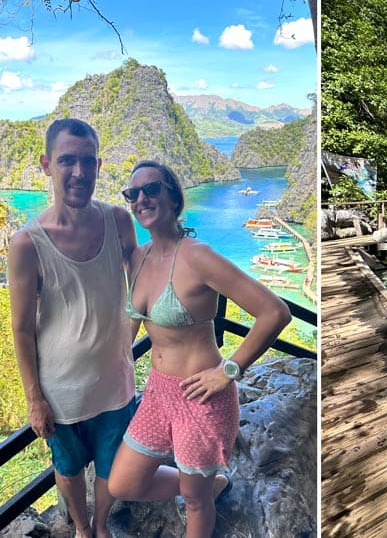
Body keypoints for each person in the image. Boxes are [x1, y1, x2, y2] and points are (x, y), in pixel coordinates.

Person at [107, 161, 291, 537]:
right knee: (122, 484)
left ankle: (203, 490)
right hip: (158, 392)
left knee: (195, 503)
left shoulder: (198, 256)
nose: (141, 199)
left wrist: (229, 370)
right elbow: (131, 324)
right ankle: (210, 483)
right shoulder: (138, 259)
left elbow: (275, 312)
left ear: (174, 197)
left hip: (201, 396)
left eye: (151, 189)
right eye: (132, 193)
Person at [10, 118, 139, 538]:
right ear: (47, 165)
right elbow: (21, 328)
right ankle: (82, 528)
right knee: (67, 467)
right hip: (60, 392)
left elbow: (144, 284)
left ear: (99, 166)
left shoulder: (119, 222)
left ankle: (100, 525)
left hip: (115, 385)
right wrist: (35, 399)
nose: (79, 172)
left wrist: (130, 341)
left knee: (111, 467)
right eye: (67, 161)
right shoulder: (28, 243)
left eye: (87, 161)